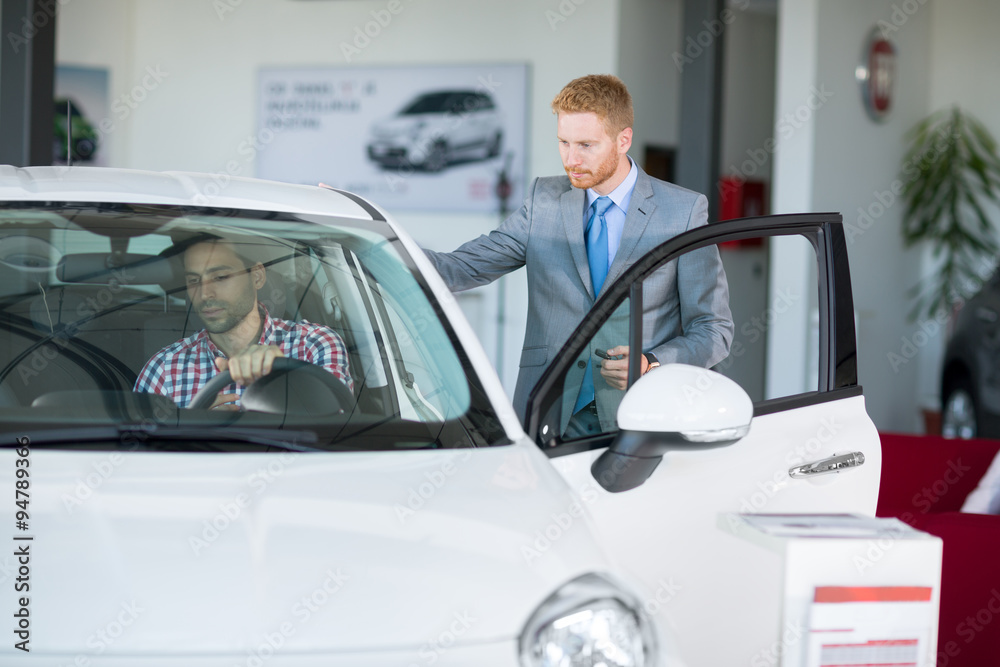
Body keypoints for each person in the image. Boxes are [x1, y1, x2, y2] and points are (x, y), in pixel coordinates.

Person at [424, 74, 733, 434]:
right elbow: (463, 267)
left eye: (586, 145)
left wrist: (651, 362)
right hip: (549, 410)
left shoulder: (682, 211)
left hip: (640, 416)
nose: (571, 159)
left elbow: (713, 329)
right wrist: (381, 250)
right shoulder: (544, 200)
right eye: (564, 142)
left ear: (623, 139)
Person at [135, 237, 352, 409]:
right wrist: (196, 433)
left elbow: (340, 428)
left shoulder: (313, 344)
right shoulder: (165, 368)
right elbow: (140, 457)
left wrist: (284, 381)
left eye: (220, 277)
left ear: (257, 277)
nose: (204, 294)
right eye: (194, 281)